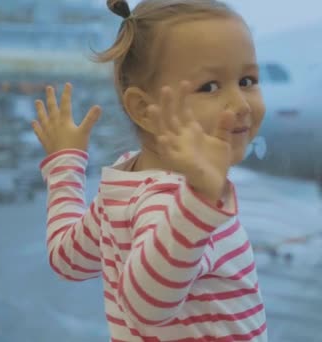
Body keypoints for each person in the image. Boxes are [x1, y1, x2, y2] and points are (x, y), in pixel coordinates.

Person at [31, 0, 267, 340]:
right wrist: (199, 200)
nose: (242, 104)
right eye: (210, 87)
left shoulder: (124, 185)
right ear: (144, 109)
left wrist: (65, 163)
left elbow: (67, 259)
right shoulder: (177, 203)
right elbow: (146, 306)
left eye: (247, 80)